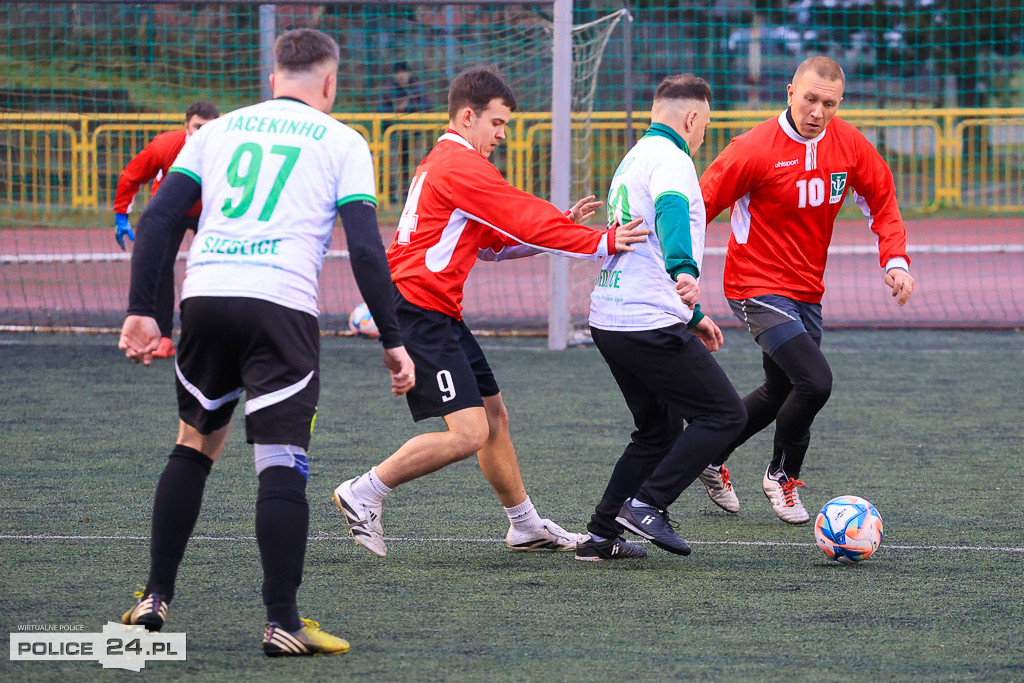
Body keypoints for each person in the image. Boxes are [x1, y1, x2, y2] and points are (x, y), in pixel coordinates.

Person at [116, 28, 415, 656]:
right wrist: (392, 338)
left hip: (205, 298)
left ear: (272, 78)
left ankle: (154, 595)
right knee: (281, 461)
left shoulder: (215, 132)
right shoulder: (343, 140)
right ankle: (283, 623)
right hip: (280, 305)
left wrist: (144, 312)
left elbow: (160, 219)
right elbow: (366, 248)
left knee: (194, 444)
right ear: (330, 83)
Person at [333, 66, 648, 558]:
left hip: (435, 308)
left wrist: (561, 225)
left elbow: (494, 244)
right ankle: (364, 491)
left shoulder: (448, 162)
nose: (502, 134)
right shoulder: (461, 165)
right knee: (470, 432)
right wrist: (601, 241)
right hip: (417, 307)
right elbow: (521, 217)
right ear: (467, 117)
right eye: (497, 123)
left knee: (494, 416)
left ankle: (525, 525)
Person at [698, 56, 915, 524]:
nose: (817, 112)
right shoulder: (751, 149)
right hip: (754, 284)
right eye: (810, 99)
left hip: (806, 289)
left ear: (841, 103)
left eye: (829, 104)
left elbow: (882, 199)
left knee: (780, 388)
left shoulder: (850, 144)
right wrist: (674, 271)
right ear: (790, 91)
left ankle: (708, 455)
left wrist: (895, 261)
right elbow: (698, 209)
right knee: (815, 382)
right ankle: (781, 476)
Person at [577, 74, 747, 562]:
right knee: (726, 414)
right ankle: (648, 504)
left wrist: (692, 314)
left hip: (611, 316)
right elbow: (671, 212)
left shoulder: (635, 156)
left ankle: (600, 535)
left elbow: (644, 239)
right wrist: (684, 270)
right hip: (645, 322)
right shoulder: (673, 158)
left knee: (658, 430)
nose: (703, 136)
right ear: (691, 118)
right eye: (705, 126)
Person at [113, 100, 219, 358]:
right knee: (158, 268)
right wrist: (121, 215)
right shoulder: (165, 145)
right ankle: (163, 337)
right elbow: (132, 175)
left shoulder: (227, 149)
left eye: (210, 128)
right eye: (198, 127)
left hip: (209, 214)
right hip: (169, 214)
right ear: (186, 126)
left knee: (214, 269)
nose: (203, 133)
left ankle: (214, 337)